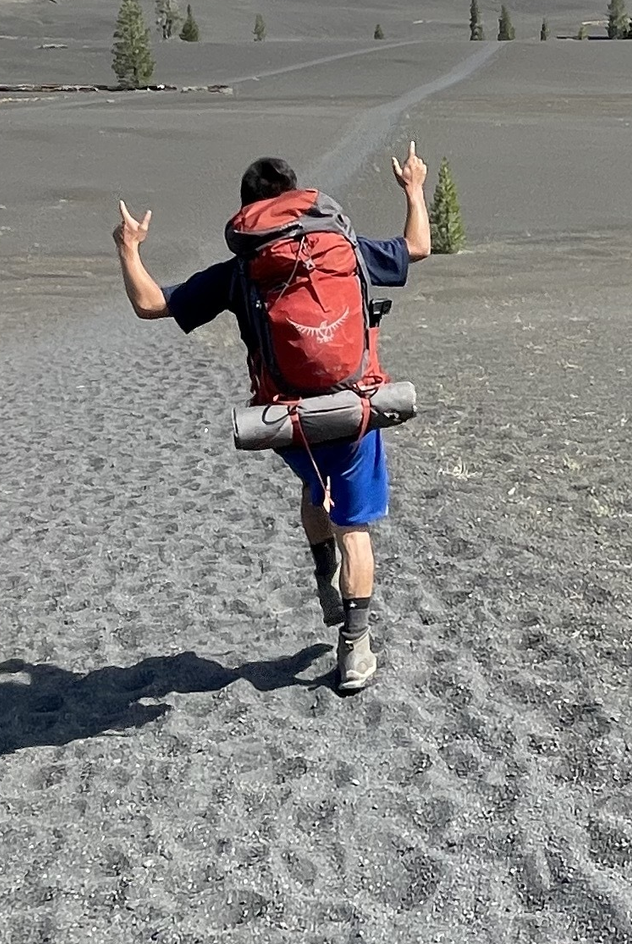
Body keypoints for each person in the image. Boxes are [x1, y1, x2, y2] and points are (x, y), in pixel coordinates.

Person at [114, 146, 434, 693]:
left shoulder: (242, 271)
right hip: (354, 408)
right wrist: (412, 189)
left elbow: (150, 304)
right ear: (298, 199)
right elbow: (418, 248)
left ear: (249, 212)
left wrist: (129, 248)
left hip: (287, 419)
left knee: (316, 487)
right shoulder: (344, 248)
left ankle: (321, 575)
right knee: (354, 528)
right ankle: (355, 647)